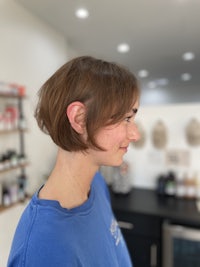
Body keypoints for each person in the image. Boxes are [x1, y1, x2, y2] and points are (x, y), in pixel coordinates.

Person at [7, 56, 140, 267]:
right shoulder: (43, 251)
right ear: (79, 118)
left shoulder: (95, 184)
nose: (135, 134)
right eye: (126, 118)